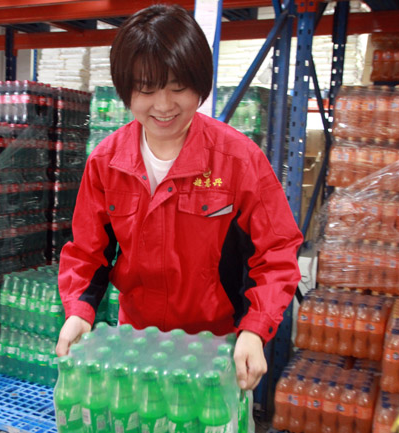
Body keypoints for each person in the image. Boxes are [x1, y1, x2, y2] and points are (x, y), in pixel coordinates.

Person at [55, 4, 303, 391]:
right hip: (138, 344)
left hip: (218, 349)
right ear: (126, 90)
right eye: (147, 89)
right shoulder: (106, 163)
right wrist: (79, 311)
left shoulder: (238, 161)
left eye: (178, 87)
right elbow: (87, 251)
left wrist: (255, 329)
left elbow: (277, 251)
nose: (164, 105)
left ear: (199, 83)